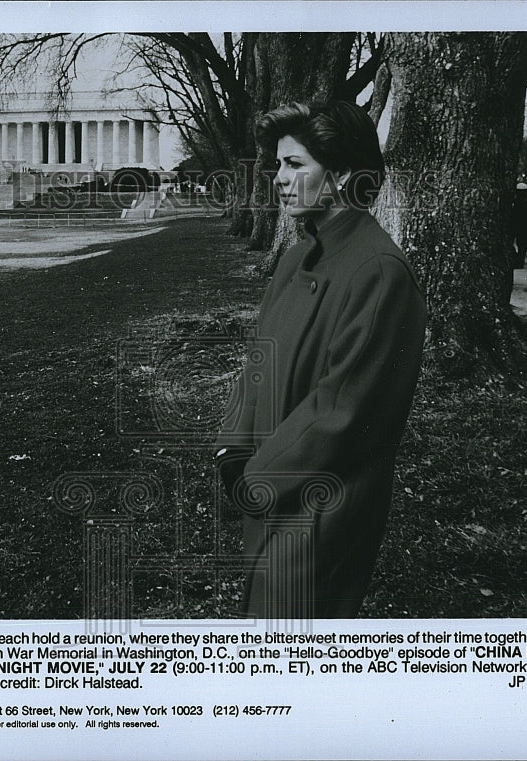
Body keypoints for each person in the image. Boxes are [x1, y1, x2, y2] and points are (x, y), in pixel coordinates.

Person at [214, 101, 427, 619]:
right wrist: (231, 450)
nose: (278, 180)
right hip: (270, 481)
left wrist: (257, 475)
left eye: (295, 166)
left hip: (324, 503)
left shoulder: (378, 272)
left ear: (343, 176)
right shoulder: (295, 256)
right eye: (278, 165)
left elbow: (343, 413)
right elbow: (257, 362)